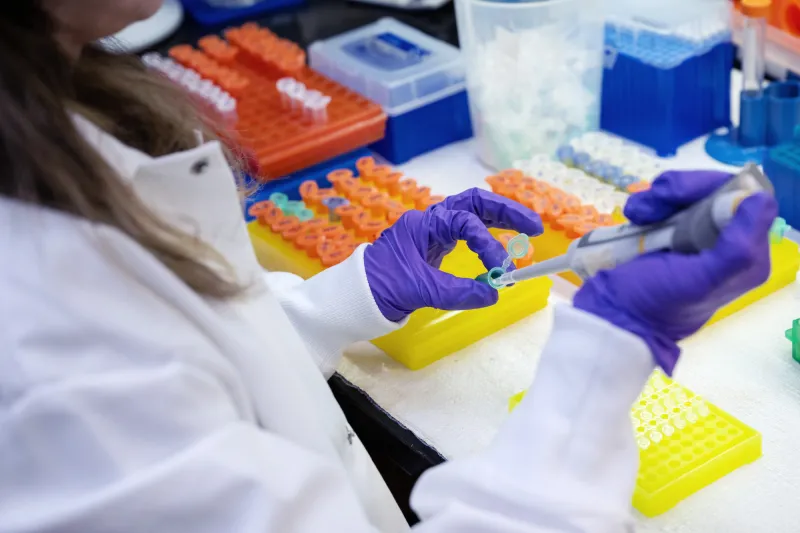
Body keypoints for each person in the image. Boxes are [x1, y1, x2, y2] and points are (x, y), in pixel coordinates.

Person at [0, 2, 777, 532]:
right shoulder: (43, 334)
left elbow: (193, 355)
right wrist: (613, 348)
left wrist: (342, 297)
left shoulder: (65, 108)